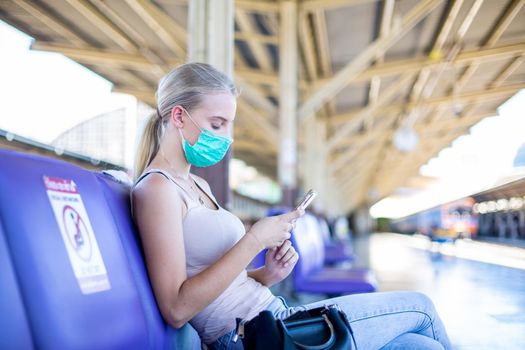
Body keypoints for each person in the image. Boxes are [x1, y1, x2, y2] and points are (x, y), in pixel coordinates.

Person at [131, 62, 452, 350]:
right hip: (253, 335)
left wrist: (267, 274)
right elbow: (176, 308)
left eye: (229, 124)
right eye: (217, 124)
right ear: (178, 116)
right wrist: (254, 240)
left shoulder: (197, 183)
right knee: (421, 308)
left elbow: (223, 282)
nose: (227, 137)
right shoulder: (158, 188)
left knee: (419, 345)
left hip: (273, 315)